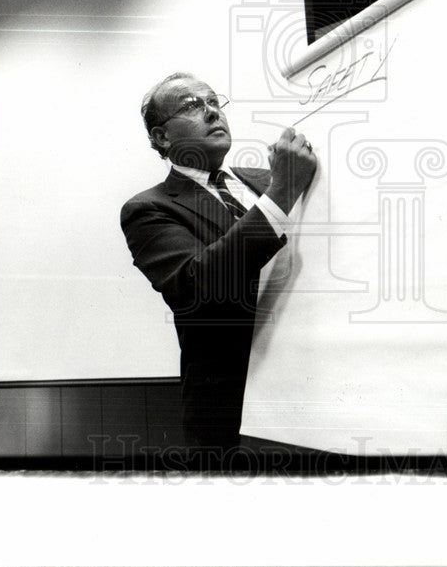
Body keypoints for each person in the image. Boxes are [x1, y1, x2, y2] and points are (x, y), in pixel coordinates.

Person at [120, 72, 317, 452]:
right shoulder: (148, 208)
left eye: (214, 101)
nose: (212, 112)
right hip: (233, 413)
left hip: (312, 380)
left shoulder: (267, 179)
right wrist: (282, 192)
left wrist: (280, 186)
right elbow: (199, 286)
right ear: (161, 137)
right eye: (193, 106)